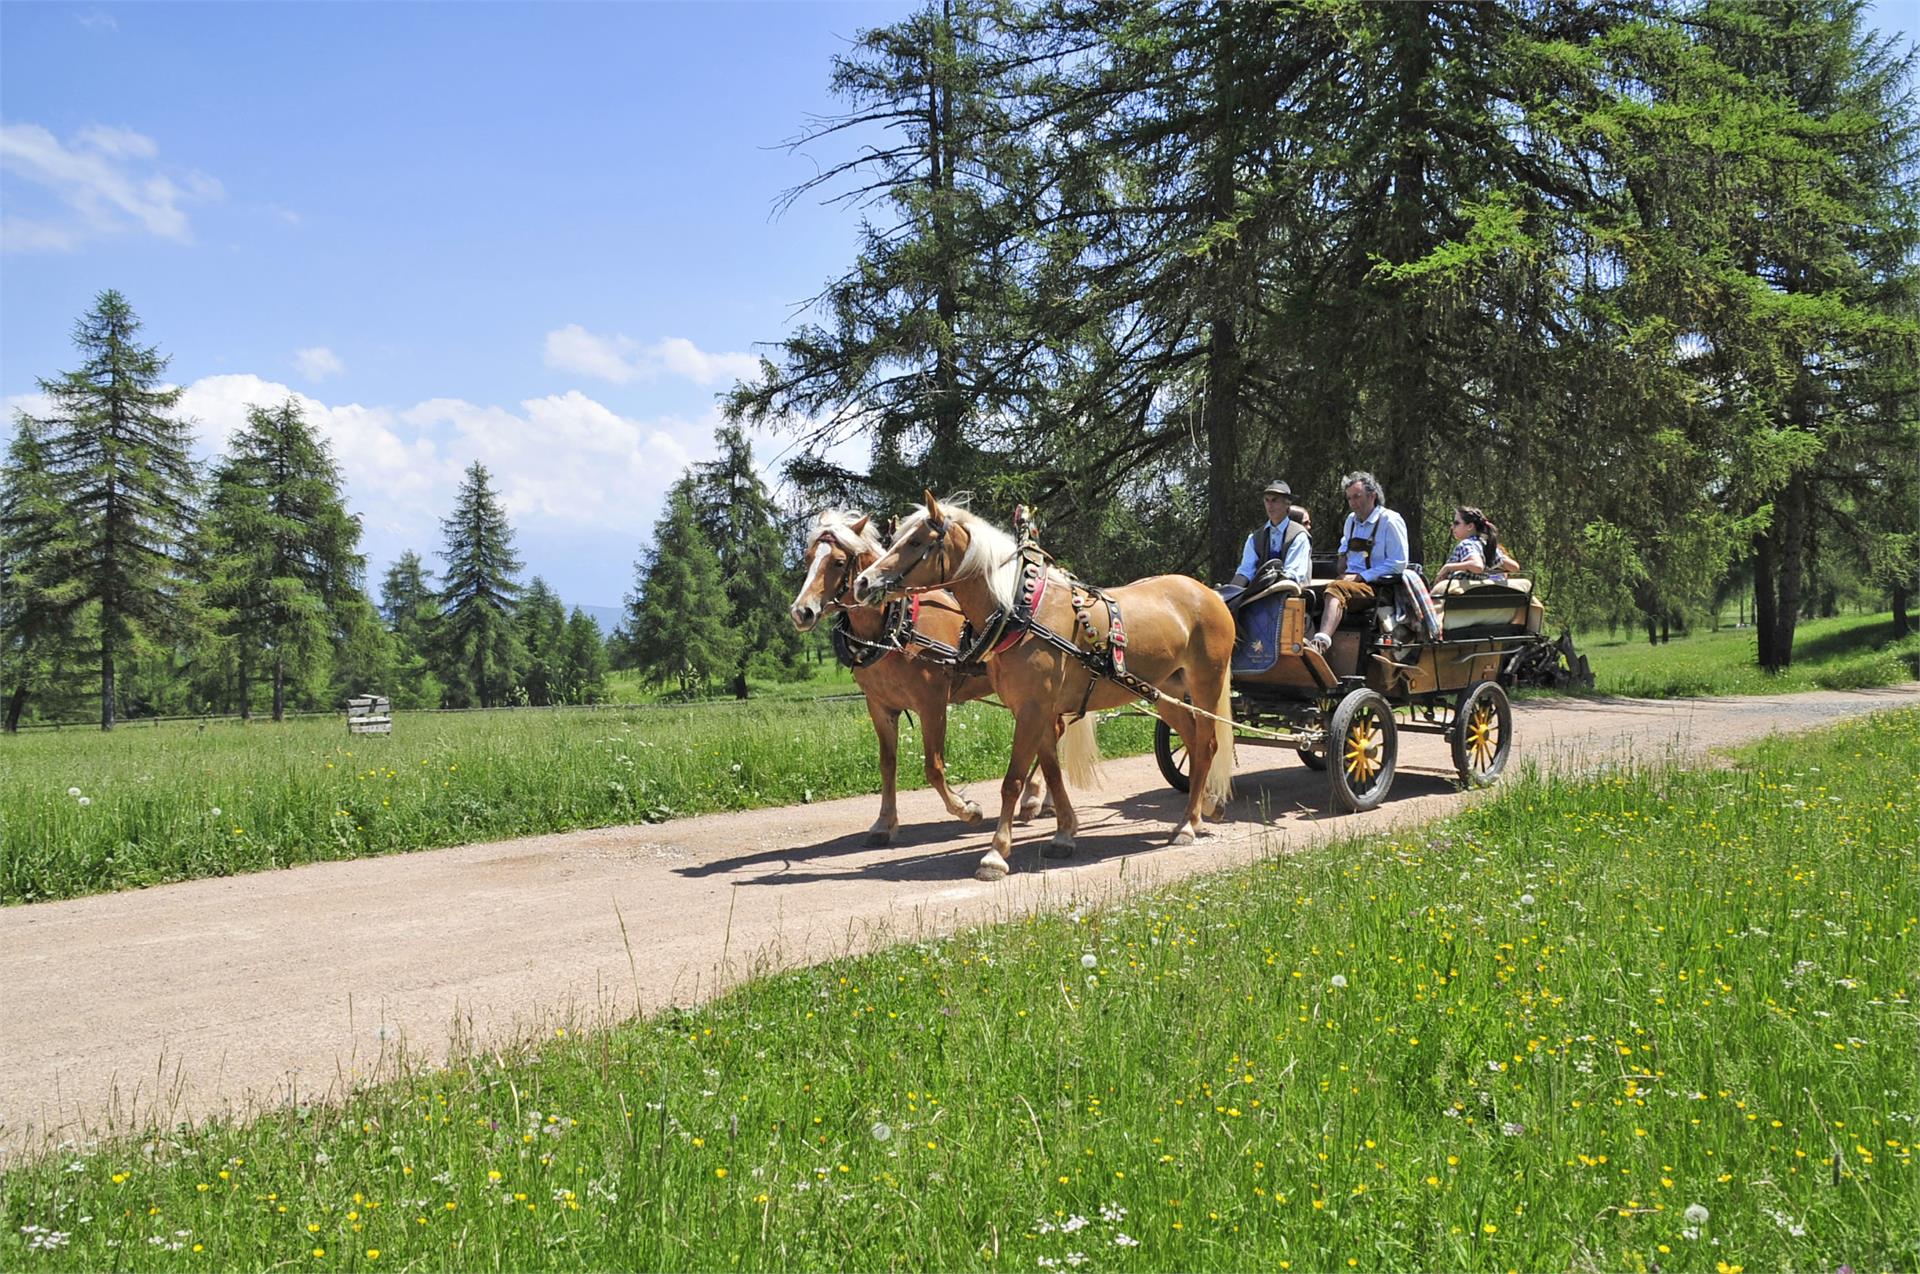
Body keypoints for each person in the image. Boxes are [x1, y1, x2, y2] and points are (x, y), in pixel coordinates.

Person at [1307, 470, 1409, 654]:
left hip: (1377, 587)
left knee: (1336, 589)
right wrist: (1342, 558)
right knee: (1308, 594)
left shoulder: (1390, 521)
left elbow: (1398, 563)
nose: (1353, 503)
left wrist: (1361, 576)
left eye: (1357, 497)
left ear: (1372, 496)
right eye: (1349, 499)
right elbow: (1344, 546)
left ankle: (1320, 644)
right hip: (1350, 584)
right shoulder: (1351, 521)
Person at [1228, 479, 1312, 590]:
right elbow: (1245, 572)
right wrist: (1229, 593)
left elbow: (1292, 575)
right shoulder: (1255, 538)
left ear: (1287, 503)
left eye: (1274, 500)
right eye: (1267, 500)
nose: (1269, 505)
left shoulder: (1299, 536)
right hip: (1261, 594)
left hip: (1292, 596)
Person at [1432, 505, 1518, 584]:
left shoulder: (1466, 544)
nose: (1452, 527)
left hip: (1461, 595)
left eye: (1456, 523)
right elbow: (1514, 567)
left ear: (1470, 526)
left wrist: (1448, 567)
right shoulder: (1486, 545)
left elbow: (1477, 566)